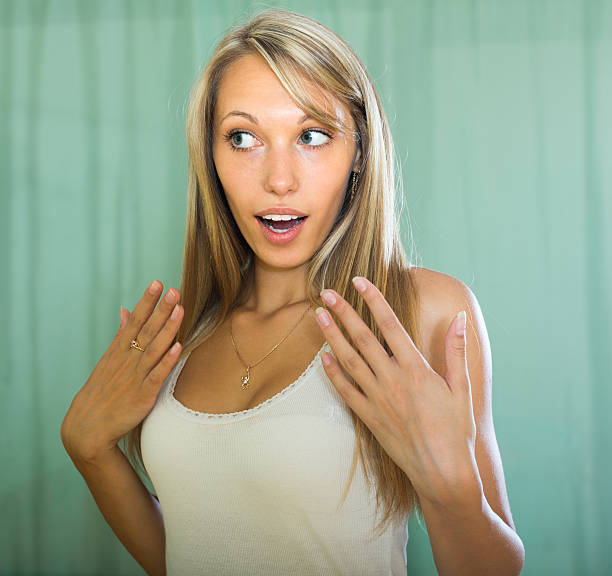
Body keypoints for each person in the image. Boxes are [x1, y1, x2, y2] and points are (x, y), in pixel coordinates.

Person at [61, 8, 525, 576]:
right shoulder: (183, 330)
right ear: (211, 158)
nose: (279, 179)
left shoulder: (423, 312)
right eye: (243, 138)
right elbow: (187, 557)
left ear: (359, 152)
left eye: (311, 136)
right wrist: (88, 450)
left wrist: (452, 489)